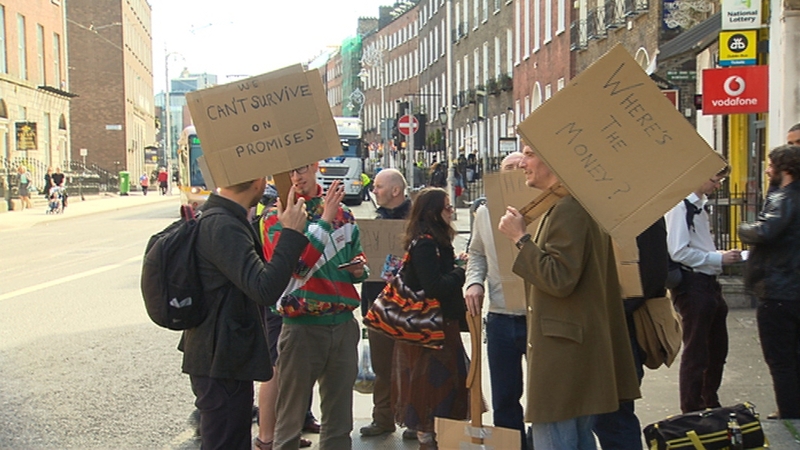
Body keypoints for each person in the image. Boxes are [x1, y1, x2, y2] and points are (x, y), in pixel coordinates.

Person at [498, 144, 640, 449]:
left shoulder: (568, 209)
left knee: (557, 440)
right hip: (571, 347)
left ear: (555, 161)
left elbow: (559, 278)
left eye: (530, 153)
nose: (523, 163)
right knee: (576, 438)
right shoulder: (570, 206)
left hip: (564, 352)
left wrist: (520, 238)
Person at [179, 177, 309, 450]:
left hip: (224, 354)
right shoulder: (223, 225)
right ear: (258, 183)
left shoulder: (223, 218)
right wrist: (292, 234)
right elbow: (263, 289)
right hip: (220, 356)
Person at [262, 165, 368, 450]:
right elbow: (296, 269)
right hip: (301, 326)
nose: (296, 177)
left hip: (343, 323)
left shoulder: (343, 213)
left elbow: (356, 253)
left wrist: (360, 269)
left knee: (339, 422)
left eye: (302, 169)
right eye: (289, 172)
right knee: (290, 419)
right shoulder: (278, 215)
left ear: (315, 167)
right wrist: (324, 220)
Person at [392, 187, 469, 450]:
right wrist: (461, 272)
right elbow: (434, 286)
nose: (452, 211)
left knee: (441, 387)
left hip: (437, 326)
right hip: (430, 330)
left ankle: (436, 438)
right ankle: (429, 440)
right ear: (433, 212)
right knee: (433, 388)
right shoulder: (425, 243)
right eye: (447, 207)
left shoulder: (434, 240)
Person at [464, 152, 528, 447]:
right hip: (501, 317)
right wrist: (474, 282)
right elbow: (476, 252)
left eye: (520, 166)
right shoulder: (485, 213)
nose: (515, 172)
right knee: (504, 398)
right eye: (508, 168)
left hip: (536, 317)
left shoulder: (545, 210)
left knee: (544, 399)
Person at [665, 166, 741, 413]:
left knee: (716, 349)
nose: (718, 184)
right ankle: (692, 409)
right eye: (715, 178)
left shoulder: (698, 206)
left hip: (708, 283)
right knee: (697, 351)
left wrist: (718, 257)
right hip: (694, 284)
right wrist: (717, 259)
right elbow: (678, 250)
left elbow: (697, 245)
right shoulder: (681, 207)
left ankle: (709, 400)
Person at [593, 218, 669, 449]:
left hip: (620, 329)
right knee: (607, 416)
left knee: (613, 416)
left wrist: (616, 310)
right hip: (610, 325)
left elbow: (652, 276)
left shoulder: (643, 215)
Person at [738, 144, 800, 419]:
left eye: (771, 166)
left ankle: (789, 409)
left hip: (779, 288)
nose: (767, 170)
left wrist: (743, 228)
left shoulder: (785, 198)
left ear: (785, 170)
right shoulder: (787, 195)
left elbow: (766, 230)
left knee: (779, 356)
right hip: (792, 286)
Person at [358, 168, 416, 441]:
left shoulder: (417, 221)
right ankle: (383, 418)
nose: (374, 191)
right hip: (379, 304)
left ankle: (415, 420)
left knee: (412, 365)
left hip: (411, 306)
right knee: (382, 367)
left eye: (379, 186)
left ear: (396, 190)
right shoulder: (377, 221)